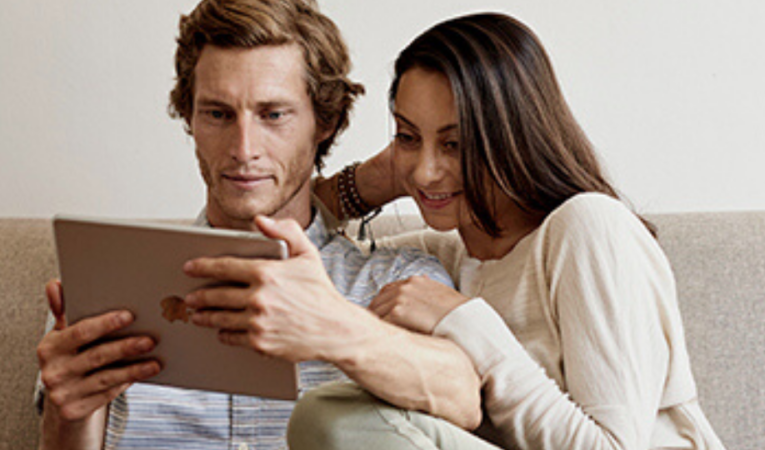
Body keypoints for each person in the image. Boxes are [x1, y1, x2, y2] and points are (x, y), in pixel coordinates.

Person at [34, 1, 482, 449]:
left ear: (324, 122)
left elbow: (464, 398)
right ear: (189, 117)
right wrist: (66, 414)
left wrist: (334, 325)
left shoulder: (395, 280)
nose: (243, 148)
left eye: (273, 114)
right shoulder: (112, 285)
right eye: (218, 113)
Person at [296, 12, 727, 450]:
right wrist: (378, 179)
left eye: (455, 144)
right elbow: (296, 232)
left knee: (337, 418)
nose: (426, 172)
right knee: (336, 410)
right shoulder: (443, 256)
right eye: (408, 137)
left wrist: (461, 320)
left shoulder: (586, 227)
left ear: (513, 137)